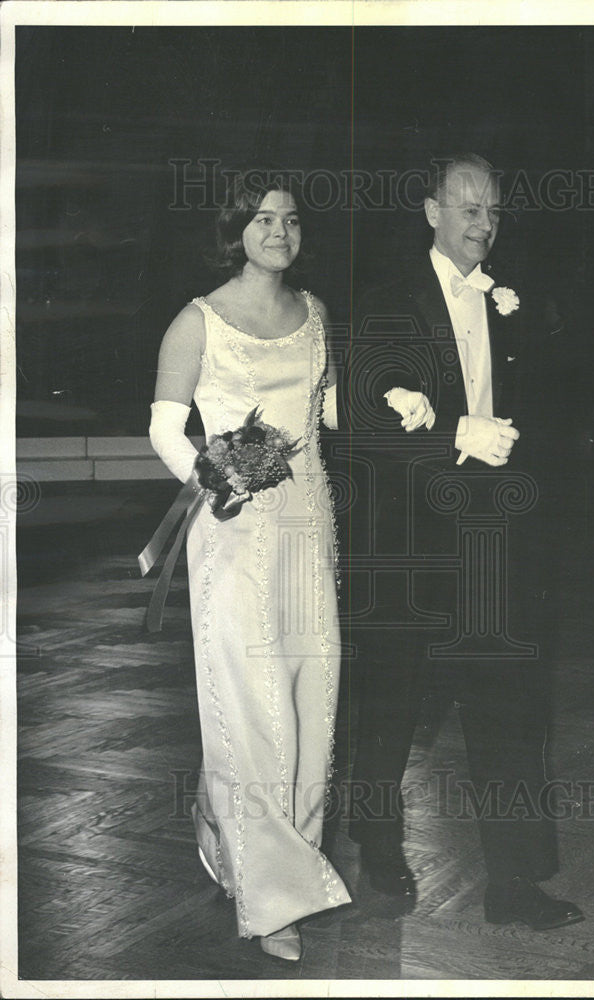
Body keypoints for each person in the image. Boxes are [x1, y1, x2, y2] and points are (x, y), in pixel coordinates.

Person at [342, 154, 583, 931]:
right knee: (390, 706)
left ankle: (514, 883)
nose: (483, 224)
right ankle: (378, 842)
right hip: (408, 543)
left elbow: (542, 418)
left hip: (492, 542)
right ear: (430, 211)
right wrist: (453, 435)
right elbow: (366, 424)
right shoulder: (386, 303)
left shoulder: (512, 305)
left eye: (493, 211)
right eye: (468, 208)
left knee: (508, 708)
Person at [148, 173, 350, 960]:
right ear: (236, 230)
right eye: (263, 219)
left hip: (309, 527)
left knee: (310, 696)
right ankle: (272, 902)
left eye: (291, 220)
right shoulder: (197, 322)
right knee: (253, 702)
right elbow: (167, 428)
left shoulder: (317, 316)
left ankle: (252, 841)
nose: (280, 231)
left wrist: (406, 396)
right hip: (231, 534)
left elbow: (327, 416)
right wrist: (215, 475)